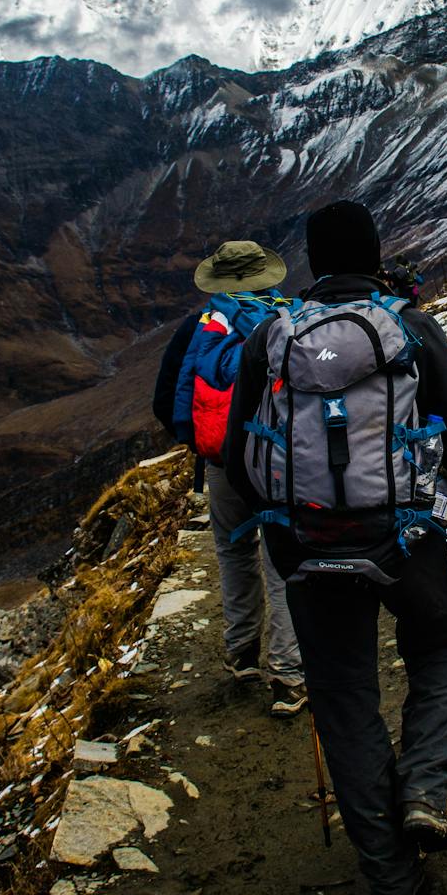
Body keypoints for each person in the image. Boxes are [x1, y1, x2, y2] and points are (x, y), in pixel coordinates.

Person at [225, 200, 447, 895]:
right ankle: (423, 792)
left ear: (314, 264)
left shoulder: (270, 339)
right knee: (440, 648)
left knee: (345, 700)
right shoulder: (411, 330)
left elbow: (238, 454)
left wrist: (282, 535)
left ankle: (391, 884)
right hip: (404, 539)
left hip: (310, 550)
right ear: (377, 255)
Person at [157, 239, 307, 718]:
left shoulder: (200, 326)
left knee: (232, 550)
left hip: (223, 462)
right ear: (268, 275)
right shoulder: (294, 318)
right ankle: (288, 671)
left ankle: (242, 653)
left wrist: (203, 442)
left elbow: (166, 399)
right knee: (282, 558)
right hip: (281, 461)